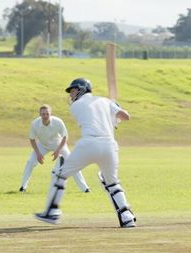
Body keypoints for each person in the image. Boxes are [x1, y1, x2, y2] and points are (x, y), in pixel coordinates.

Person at [34, 78, 136, 228]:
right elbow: (126, 117)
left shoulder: (76, 105)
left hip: (89, 143)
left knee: (60, 174)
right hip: (109, 146)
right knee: (112, 182)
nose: (71, 95)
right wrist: (114, 109)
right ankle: (127, 216)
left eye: (73, 90)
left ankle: (52, 212)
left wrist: (111, 110)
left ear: (82, 89)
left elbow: (93, 114)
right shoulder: (105, 101)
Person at [19, 104, 90, 193]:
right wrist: (37, 153)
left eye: (47, 114)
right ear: (40, 114)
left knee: (71, 163)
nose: (45, 116)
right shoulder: (35, 124)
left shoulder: (58, 122)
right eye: (43, 114)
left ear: (50, 114)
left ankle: (85, 189)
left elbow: (65, 137)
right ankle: (23, 187)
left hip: (58, 144)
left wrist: (58, 151)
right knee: (30, 162)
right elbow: (32, 139)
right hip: (42, 145)